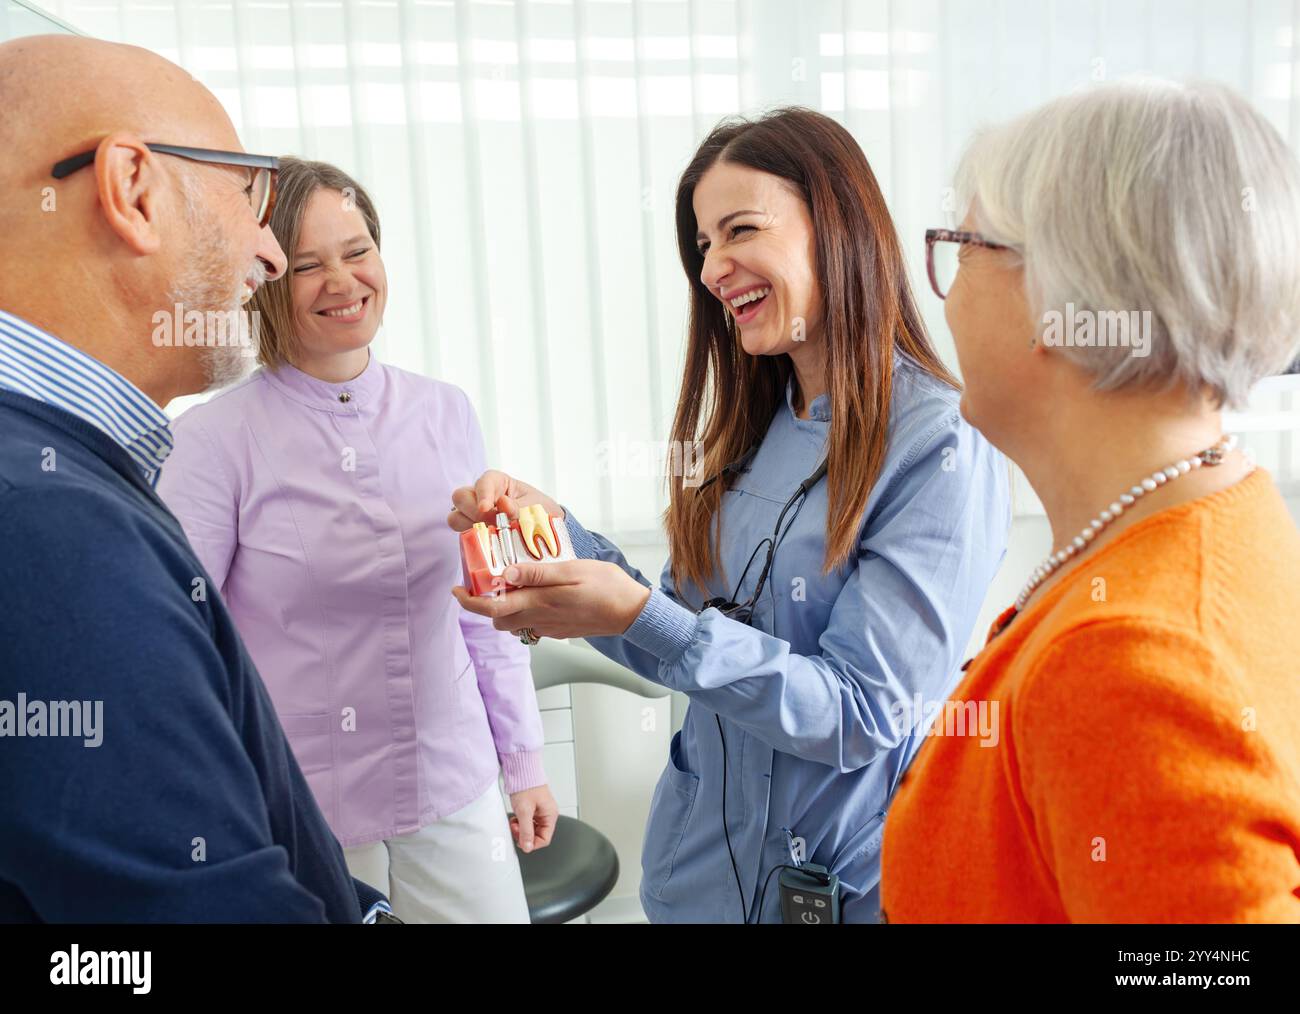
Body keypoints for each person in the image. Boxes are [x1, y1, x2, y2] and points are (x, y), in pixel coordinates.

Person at [450, 108, 1011, 923]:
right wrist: (559, 540)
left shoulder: (938, 443)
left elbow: (862, 713)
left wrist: (648, 618)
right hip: (693, 883)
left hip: (835, 892)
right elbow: (678, 637)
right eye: (704, 244)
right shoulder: (753, 425)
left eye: (739, 229)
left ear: (838, 225)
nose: (713, 269)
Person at [883, 79, 1300, 922]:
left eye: (961, 248)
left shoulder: (1130, 665)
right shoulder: (1222, 512)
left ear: (1060, 301)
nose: (943, 293)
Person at [0, 35, 390, 921]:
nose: (271, 254)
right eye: (250, 195)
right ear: (133, 191)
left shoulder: (68, 472)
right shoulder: (47, 525)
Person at [157, 158, 555, 924]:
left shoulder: (445, 412)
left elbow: (483, 610)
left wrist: (524, 762)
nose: (342, 281)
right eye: (308, 264)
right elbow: (184, 652)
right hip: (307, 812)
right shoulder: (212, 442)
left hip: (455, 790)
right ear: (267, 277)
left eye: (357, 250)